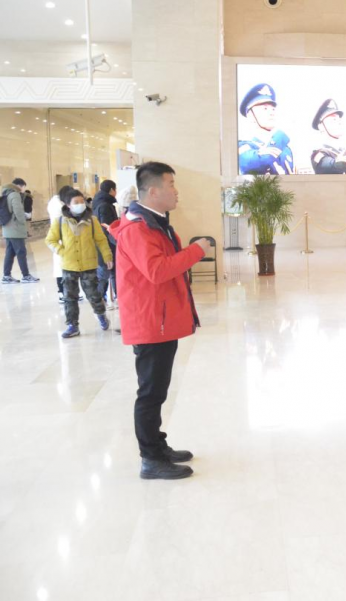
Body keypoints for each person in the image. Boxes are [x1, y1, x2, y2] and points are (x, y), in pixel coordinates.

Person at [111, 162, 211, 480]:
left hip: (159, 319)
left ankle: (157, 445)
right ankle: (150, 459)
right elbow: (157, 271)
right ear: (153, 191)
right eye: (171, 185)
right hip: (150, 322)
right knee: (151, 393)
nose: (176, 191)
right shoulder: (138, 229)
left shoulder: (155, 224)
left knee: (158, 390)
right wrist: (196, 251)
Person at [45, 190, 115, 338]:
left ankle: (101, 315)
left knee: (93, 295)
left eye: (82, 201)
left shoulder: (92, 221)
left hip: (89, 264)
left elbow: (101, 240)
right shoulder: (60, 221)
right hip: (69, 265)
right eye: (76, 202)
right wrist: (61, 251)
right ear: (68, 205)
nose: (80, 204)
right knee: (70, 297)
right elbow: (50, 240)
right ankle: (72, 325)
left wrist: (107, 256)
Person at [238, 82, 294, 175]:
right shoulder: (243, 147)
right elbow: (266, 159)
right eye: (265, 109)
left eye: (273, 109)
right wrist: (282, 136)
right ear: (251, 116)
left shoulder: (286, 149)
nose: (271, 113)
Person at [2, 178, 40, 284]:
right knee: (21, 252)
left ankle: (6, 276)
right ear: (20, 186)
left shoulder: (5, 193)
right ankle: (25, 276)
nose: (23, 189)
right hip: (16, 229)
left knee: (10, 253)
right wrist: (24, 220)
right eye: (23, 186)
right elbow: (18, 211)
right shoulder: (15, 194)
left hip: (7, 228)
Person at [310, 99, 346, 175]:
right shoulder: (319, 153)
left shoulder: (342, 150)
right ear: (321, 126)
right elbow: (337, 166)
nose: (339, 122)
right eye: (334, 119)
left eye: (339, 119)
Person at [92, 179, 120, 304]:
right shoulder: (104, 205)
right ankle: (100, 298)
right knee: (107, 271)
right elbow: (106, 227)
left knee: (108, 271)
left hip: (105, 243)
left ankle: (110, 296)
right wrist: (116, 241)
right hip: (107, 244)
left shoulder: (99, 201)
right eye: (115, 189)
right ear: (111, 190)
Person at [47, 185, 75, 300]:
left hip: (64, 236)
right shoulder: (58, 205)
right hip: (60, 237)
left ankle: (67, 292)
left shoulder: (55, 202)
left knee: (63, 266)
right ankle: (62, 292)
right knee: (60, 267)